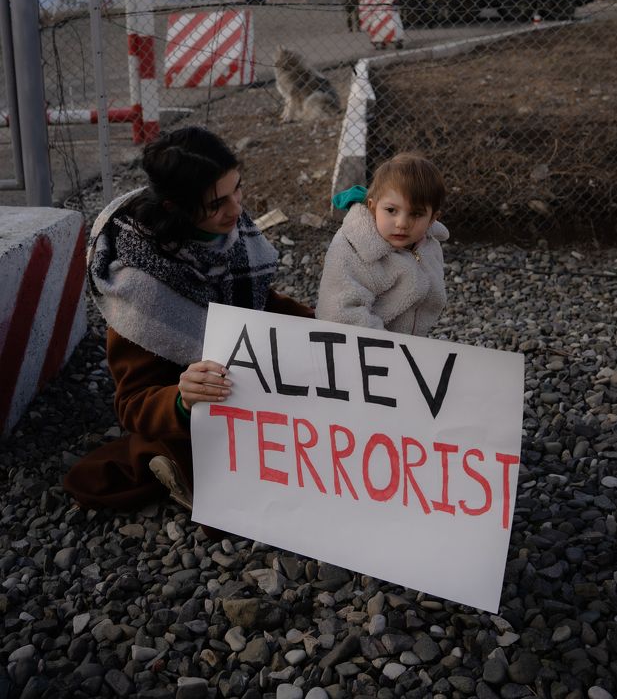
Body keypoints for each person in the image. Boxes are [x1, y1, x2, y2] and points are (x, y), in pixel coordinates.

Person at [64, 125, 313, 512]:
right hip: (190, 402)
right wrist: (181, 400)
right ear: (174, 207)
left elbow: (259, 304)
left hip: (237, 382)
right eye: (217, 204)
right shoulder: (138, 285)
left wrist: (324, 326)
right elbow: (131, 403)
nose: (236, 209)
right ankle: (160, 456)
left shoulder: (235, 232)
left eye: (238, 188)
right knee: (243, 493)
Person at [316, 153, 449, 336]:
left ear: (432, 219)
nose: (402, 223)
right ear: (373, 207)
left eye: (416, 214)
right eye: (391, 210)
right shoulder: (356, 249)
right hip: (363, 350)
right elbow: (338, 312)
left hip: (407, 346)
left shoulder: (428, 244)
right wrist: (388, 347)